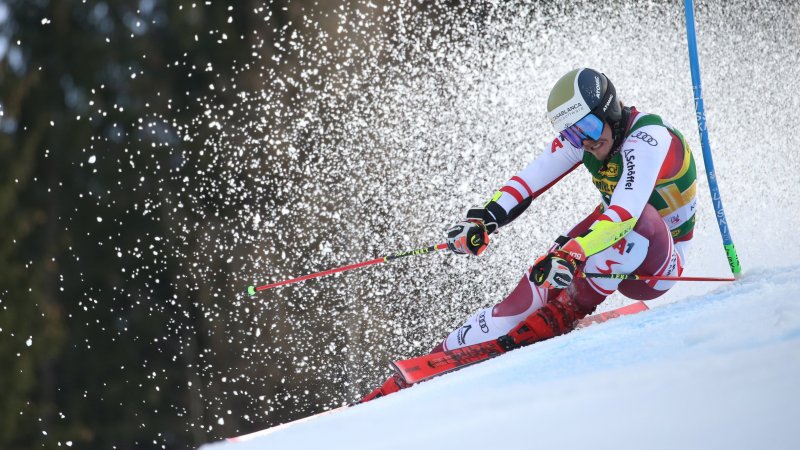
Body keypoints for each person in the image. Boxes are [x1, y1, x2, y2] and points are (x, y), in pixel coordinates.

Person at [360, 67, 697, 402]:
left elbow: (625, 214)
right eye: (576, 135)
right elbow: (529, 181)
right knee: (524, 297)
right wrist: (484, 219)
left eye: (591, 128)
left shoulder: (647, 138)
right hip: (607, 238)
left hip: (656, 265)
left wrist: (573, 253)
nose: (588, 142)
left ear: (609, 110)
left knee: (635, 222)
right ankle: (422, 370)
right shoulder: (585, 141)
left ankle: (568, 309)